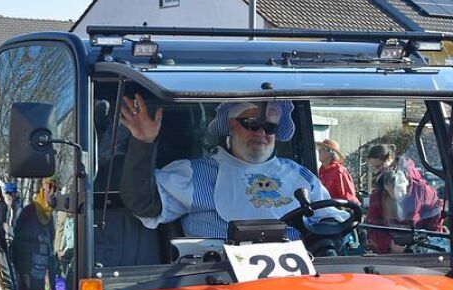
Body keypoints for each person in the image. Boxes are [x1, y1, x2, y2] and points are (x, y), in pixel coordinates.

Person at [119, 96, 340, 239]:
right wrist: (143, 142)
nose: (261, 133)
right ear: (232, 125)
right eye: (252, 124)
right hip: (218, 283)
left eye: (270, 127)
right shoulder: (194, 173)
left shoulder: (299, 175)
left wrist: (327, 232)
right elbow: (144, 204)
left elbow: (330, 217)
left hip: (295, 283)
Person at [364, 143, 444, 254]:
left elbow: (436, 212)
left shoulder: (421, 189)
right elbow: (373, 223)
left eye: (379, 166)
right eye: (374, 168)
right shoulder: (378, 192)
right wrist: (389, 243)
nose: (378, 171)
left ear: (391, 160)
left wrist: (426, 240)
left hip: (420, 249)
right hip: (390, 251)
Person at [316, 139, 358, 203]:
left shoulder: (339, 171)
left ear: (330, 153)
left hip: (338, 211)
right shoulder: (321, 171)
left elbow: (348, 198)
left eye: (322, 149)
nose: (319, 151)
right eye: (319, 149)